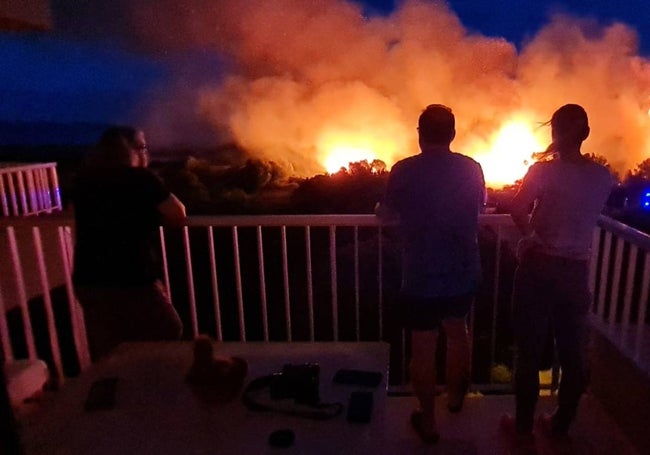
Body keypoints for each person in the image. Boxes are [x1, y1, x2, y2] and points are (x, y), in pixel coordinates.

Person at [501, 104, 614, 448]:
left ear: (555, 132)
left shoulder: (542, 172)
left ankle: (522, 430)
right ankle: (561, 425)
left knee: (529, 352)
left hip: (539, 267)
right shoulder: (602, 175)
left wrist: (530, 237)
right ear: (586, 133)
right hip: (576, 272)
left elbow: (518, 208)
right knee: (572, 354)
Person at [376, 104, 486, 443]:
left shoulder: (404, 171)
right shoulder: (472, 169)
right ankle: (455, 399)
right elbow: (479, 206)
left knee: (422, 347)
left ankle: (428, 420)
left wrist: (383, 212)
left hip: (421, 273)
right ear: (452, 134)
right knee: (458, 334)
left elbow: (388, 213)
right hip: (462, 270)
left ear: (420, 134)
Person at [72, 126, 186, 361]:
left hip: (89, 278)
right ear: (131, 150)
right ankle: (150, 382)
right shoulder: (141, 178)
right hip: (131, 275)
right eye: (143, 147)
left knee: (110, 347)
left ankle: (116, 390)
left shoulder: (85, 180)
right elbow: (178, 213)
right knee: (168, 327)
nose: (147, 153)